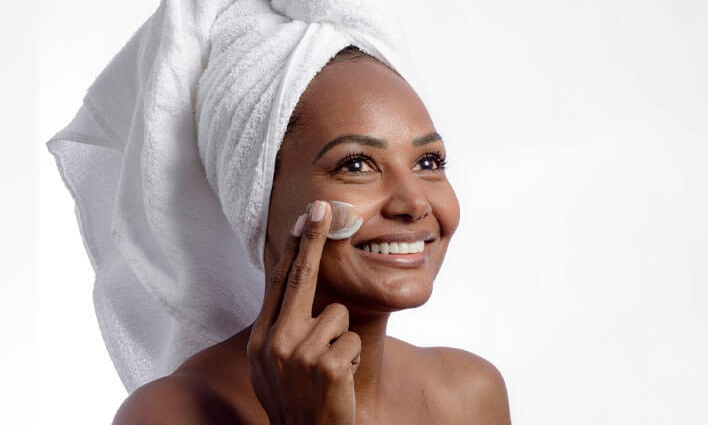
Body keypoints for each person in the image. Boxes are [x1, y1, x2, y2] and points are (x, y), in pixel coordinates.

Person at [110, 44, 510, 424]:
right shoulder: (167, 417)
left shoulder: (469, 396)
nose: (415, 203)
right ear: (257, 201)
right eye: (356, 166)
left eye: (428, 161)